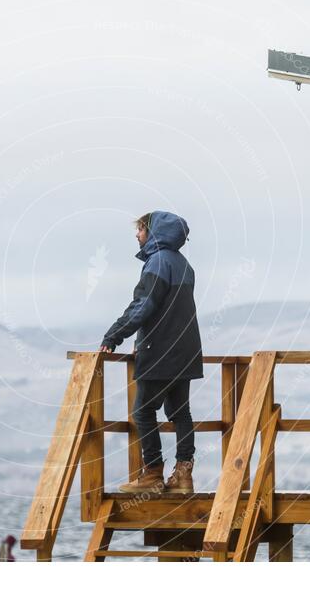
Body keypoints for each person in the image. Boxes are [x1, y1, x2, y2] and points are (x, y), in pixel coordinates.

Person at [100, 211, 203, 494]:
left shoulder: (157, 263)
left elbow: (143, 306)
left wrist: (114, 335)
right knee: (180, 412)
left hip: (159, 350)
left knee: (143, 411)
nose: (137, 235)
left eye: (141, 230)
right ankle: (183, 476)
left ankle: (153, 474)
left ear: (153, 232)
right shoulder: (184, 265)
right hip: (186, 350)